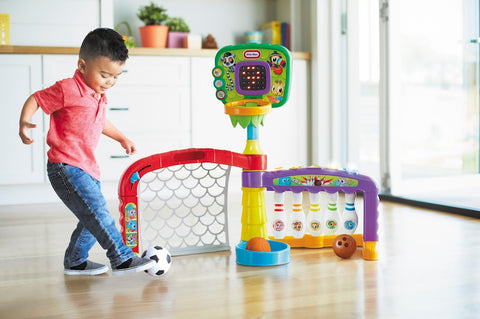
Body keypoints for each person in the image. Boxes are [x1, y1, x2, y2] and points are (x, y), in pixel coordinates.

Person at [18, 28, 155, 276]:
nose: (110, 82)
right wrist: (25, 122)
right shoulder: (67, 89)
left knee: (90, 216)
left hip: (87, 167)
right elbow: (37, 99)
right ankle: (121, 258)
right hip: (65, 166)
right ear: (82, 65)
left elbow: (100, 122)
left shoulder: (97, 95)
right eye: (104, 74)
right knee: (97, 212)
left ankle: (76, 261)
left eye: (116, 76)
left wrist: (122, 137)